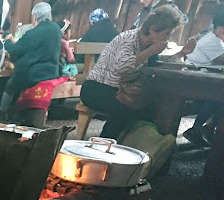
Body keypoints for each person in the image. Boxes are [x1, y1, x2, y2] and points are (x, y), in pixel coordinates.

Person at [80, 5, 191, 140]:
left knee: (153, 109)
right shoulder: (129, 38)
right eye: (167, 33)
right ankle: (102, 145)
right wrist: (151, 51)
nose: (168, 38)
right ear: (153, 29)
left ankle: (135, 146)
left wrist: (181, 53)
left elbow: (157, 64)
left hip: (120, 90)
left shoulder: (149, 45)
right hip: (96, 89)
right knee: (125, 109)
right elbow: (122, 67)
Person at [0, 2, 61, 121]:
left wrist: (7, 40)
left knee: (10, 85)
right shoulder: (56, 29)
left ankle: (2, 113)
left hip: (34, 75)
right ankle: (14, 112)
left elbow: (16, 50)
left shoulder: (34, 33)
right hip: (52, 72)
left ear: (35, 17)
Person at [182, 12, 224, 146]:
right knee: (218, 96)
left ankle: (207, 128)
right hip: (192, 80)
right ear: (220, 29)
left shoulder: (217, 40)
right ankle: (198, 128)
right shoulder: (213, 41)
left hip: (201, 78)